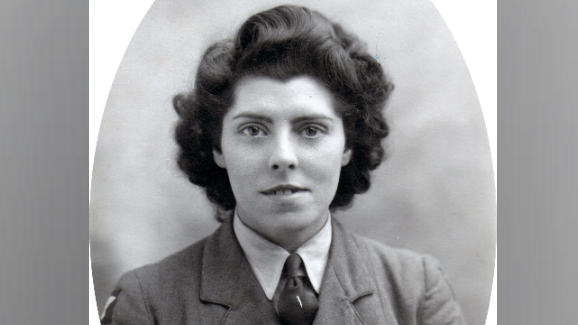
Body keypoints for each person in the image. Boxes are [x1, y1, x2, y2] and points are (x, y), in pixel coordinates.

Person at [100, 5, 466, 325]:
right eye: (253, 129)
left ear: (347, 146)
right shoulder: (148, 303)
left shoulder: (416, 291)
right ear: (218, 148)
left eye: (310, 129)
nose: (283, 157)